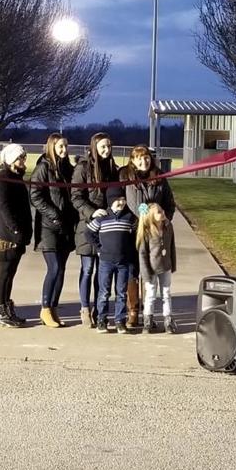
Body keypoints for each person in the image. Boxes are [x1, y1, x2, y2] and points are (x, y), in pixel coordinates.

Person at [119, 144, 176, 326]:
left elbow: (169, 203)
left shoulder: (159, 178)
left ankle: (149, 313)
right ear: (133, 160)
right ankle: (134, 310)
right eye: (139, 158)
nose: (144, 161)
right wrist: (145, 216)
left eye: (146, 157)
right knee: (134, 270)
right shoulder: (128, 178)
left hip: (155, 231)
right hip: (135, 230)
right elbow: (134, 205)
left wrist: (163, 222)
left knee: (153, 271)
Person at [71, 132, 119, 328]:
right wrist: (92, 212)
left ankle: (101, 310)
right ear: (94, 148)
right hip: (87, 225)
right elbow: (76, 197)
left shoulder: (112, 168)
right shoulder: (83, 168)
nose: (107, 151)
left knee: (103, 272)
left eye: (109, 147)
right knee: (88, 269)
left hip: (106, 226)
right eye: (103, 147)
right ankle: (84, 307)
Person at [30, 133, 77, 328]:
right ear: (52, 147)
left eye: (66, 146)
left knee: (62, 270)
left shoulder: (68, 169)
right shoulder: (43, 168)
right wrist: (54, 214)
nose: (64, 150)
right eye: (60, 147)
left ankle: (54, 308)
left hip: (65, 226)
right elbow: (35, 195)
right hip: (48, 227)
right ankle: (45, 308)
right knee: (54, 267)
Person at [86, 185, 138, 334]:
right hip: (105, 262)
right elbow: (88, 233)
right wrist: (99, 248)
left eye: (123, 200)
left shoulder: (129, 218)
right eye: (117, 200)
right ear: (110, 202)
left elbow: (137, 232)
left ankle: (120, 321)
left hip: (123, 262)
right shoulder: (102, 218)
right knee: (104, 292)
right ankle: (102, 319)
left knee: (121, 293)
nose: (121, 203)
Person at [0, 143, 32, 328]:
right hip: (8, 236)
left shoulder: (18, 178)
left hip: (19, 234)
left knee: (11, 273)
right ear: (10, 160)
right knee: (4, 273)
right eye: (20, 158)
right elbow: (4, 207)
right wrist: (15, 229)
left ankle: (8, 306)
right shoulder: (3, 178)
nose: (23, 161)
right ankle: (1, 311)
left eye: (23, 157)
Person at [136, 203, 178, 334]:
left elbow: (172, 246)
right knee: (150, 295)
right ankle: (148, 321)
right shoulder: (147, 230)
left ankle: (168, 320)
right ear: (151, 216)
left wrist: (173, 264)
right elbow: (142, 254)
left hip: (165, 266)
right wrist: (146, 273)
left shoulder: (168, 226)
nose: (163, 212)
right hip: (151, 269)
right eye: (159, 212)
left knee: (166, 293)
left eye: (162, 209)